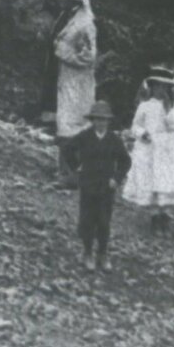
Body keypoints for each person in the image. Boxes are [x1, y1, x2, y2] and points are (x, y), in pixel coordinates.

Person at [123, 66, 174, 229]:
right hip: (150, 147)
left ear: (169, 89)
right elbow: (135, 125)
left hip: (167, 147)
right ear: (151, 87)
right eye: (157, 86)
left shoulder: (172, 106)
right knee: (151, 179)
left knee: (165, 179)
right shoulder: (145, 105)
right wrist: (142, 133)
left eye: (164, 87)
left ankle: (164, 212)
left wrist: (168, 108)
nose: (160, 90)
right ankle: (154, 215)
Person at [48, 0, 97, 186]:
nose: (61, 1)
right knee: (65, 121)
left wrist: (62, 52)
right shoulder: (70, 17)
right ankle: (66, 170)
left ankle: (71, 174)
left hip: (78, 82)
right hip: (67, 78)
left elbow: (89, 56)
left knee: (73, 124)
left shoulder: (85, 24)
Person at [71, 99, 131, 271]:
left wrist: (117, 178)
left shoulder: (114, 139)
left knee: (104, 221)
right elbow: (67, 148)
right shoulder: (85, 136)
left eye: (104, 119)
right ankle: (87, 252)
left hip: (106, 187)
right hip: (88, 185)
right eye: (97, 119)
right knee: (87, 219)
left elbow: (125, 161)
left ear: (108, 121)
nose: (100, 122)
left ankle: (103, 253)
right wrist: (77, 168)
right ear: (92, 120)